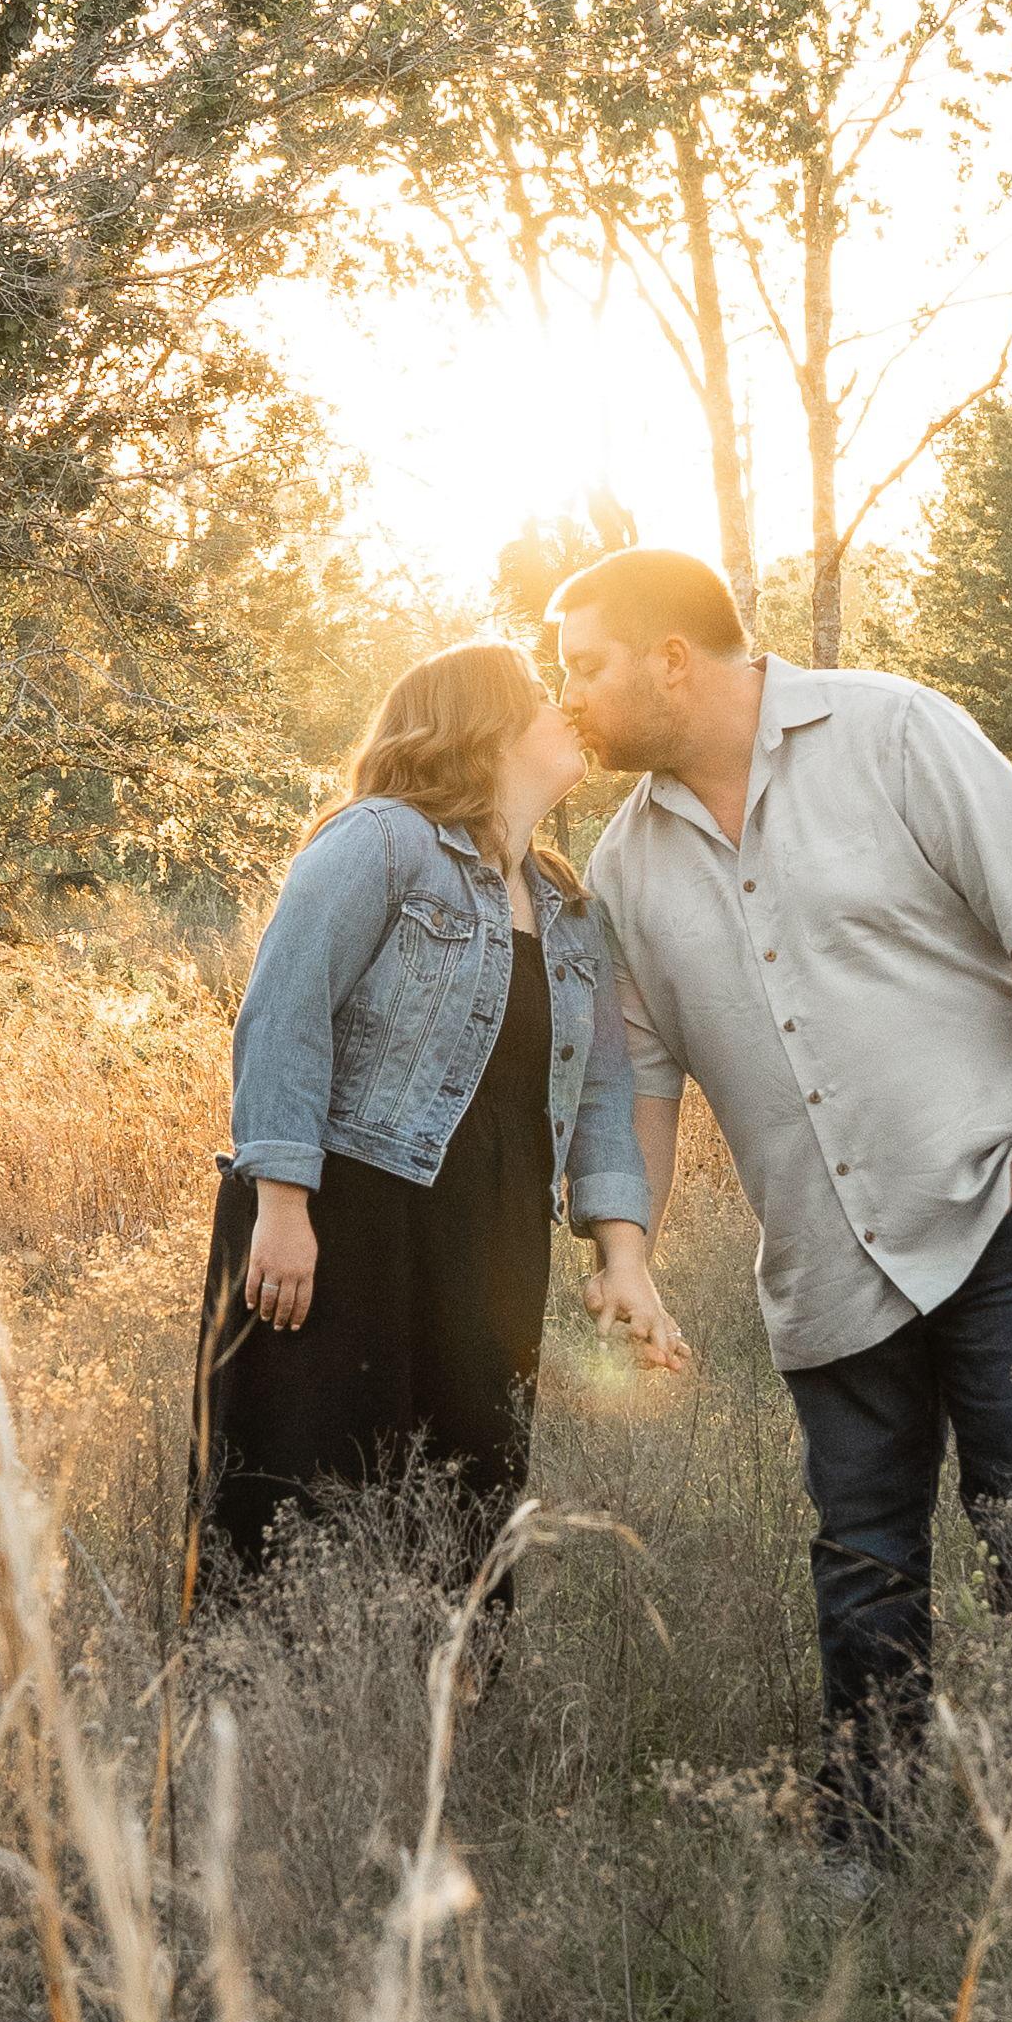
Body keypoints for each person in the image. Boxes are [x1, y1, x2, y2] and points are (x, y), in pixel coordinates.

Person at [550, 545, 1012, 1857]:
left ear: (671, 660)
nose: (565, 695)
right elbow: (642, 1084)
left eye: (584, 666)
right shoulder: (624, 866)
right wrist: (628, 1248)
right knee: (863, 1565)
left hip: (1001, 1216)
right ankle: (870, 1846)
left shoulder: (892, 731)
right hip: (826, 1267)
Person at [188, 636, 689, 1605]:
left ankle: (447, 1696)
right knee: (303, 1498)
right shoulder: (383, 840)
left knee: (465, 1503)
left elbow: (601, 1095)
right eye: (540, 693)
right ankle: (272, 1699)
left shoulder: (572, 909)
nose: (565, 706)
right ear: (482, 726)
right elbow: (285, 1013)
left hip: (494, 1241)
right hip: (346, 1220)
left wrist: (625, 1257)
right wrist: (281, 1207)